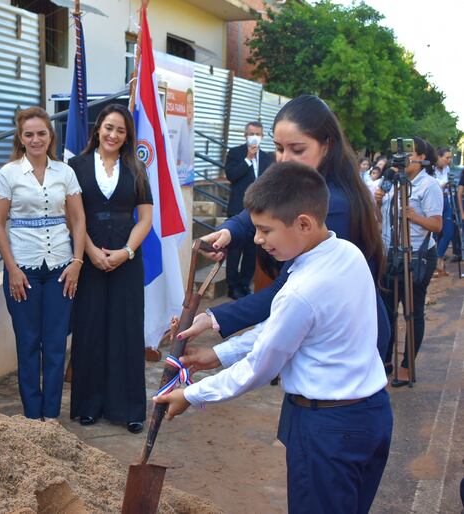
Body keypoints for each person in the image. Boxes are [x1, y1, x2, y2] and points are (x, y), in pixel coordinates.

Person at [154, 162, 392, 514]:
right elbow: (286, 329)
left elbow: (260, 367)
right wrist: (220, 354)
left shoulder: (301, 290)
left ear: (304, 224)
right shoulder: (346, 253)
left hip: (328, 428)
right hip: (371, 414)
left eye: (266, 230)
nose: (257, 239)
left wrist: (192, 393)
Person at [197, 95, 389, 364]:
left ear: (327, 146)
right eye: (278, 148)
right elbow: (255, 212)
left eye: (297, 150)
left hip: (345, 350)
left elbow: (286, 291)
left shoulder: (332, 205)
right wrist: (228, 231)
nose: (285, 160)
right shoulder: (307, 187)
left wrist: (213, 318)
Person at [0, 107, 86, 421]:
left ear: (50, 136)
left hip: (60, 268)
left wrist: (76, 262)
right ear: (20, 138)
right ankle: (33, 417)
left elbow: (78, 219)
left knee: (56, 345)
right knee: (29, 343)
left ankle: (51, 417)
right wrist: (12, 269)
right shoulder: (9, 173)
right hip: (24, 271)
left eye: (41, 133)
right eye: (28, 134)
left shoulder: (65, 172)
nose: (35, 139)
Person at [68, 104, 153, 434]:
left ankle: (129, 408)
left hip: (127, 258)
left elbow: (145, 218)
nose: (113, 135)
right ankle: (88, 406)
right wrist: (89, 251)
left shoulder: (137, 168)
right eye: (108, 127)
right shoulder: (75, 166)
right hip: (88, 255)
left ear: (128, 135)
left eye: (120, 130)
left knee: (126, 329)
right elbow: (72, 216)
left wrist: (127, 252)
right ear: (97, 129)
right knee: (90, 329)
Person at [375, 137, 442, 386]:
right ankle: (386, 360)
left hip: (415, 257)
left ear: (422, 157)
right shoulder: (393, 182)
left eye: (410, 152)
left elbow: (437, 225)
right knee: (387, 311)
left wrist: (413, 216)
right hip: (390, 255)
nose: (403, 157)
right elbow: (384, 220)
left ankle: (407, 365)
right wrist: (378, 201)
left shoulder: (429, 185)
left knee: (412, 312)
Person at [224, 121, 273, 299]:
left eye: (258, 134)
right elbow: (231, 176)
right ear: (245, 135)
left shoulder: (268, 158)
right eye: (251, 133)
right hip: (239, 209)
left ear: (262, 136)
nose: (254, 137)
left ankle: (245, 284)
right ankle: (232, 286)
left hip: (260, 213)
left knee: (252, 252)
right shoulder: (235, 153)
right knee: (235, 251)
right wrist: (248, 159)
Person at [432, 147, 460, 276]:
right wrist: (445, 183)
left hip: (446, 201)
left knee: (448, 231)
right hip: (435, 202)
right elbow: (434, 186)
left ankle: (439, 259)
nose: (449, 160)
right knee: (436, 232)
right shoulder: (430, 169)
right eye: (446, 158)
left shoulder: (447, 169)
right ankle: (436, 263)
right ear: (438, 156)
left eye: (450, 157)